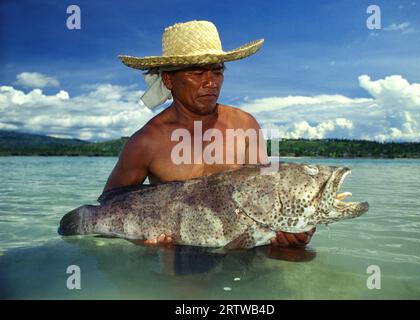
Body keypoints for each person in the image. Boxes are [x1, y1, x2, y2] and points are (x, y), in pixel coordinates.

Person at [104, 20, 315, 247]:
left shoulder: (245, 125)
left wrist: (297, 227)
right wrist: (140, 240)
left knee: (296, 255)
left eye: (217, 72)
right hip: (180, 257)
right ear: (168, 79)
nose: (211, 83)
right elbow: (108, 210)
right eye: (197, 73)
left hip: (244, 249)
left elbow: (272, 189)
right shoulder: (146, 142)